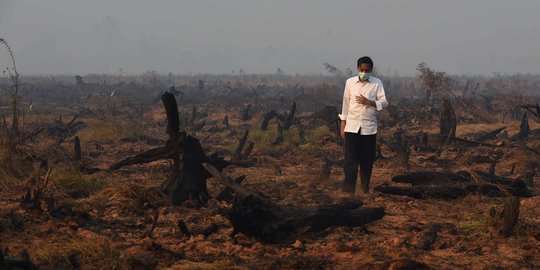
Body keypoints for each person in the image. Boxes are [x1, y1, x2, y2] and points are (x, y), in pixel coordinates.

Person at [339, 56, 388, 194]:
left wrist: (370, 102)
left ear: (371, 70)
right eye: (362, 69)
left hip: (369, 128)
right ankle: (348, 191)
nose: (364, 72)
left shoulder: (377, 83)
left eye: (367, 70)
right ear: (358, 69)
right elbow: (346, 104)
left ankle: (364, 189)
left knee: (367, 160)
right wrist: (343, 124)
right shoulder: (350, 83)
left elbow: (384, 102)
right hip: (352, 127)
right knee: (350, 160)